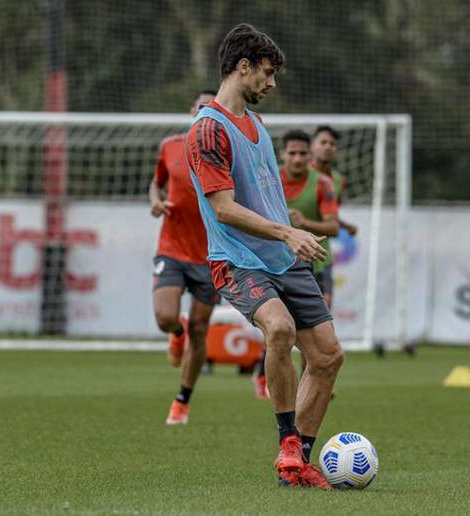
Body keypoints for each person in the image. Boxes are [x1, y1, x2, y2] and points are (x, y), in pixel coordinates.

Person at [185, 23, 343, 489]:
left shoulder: (254, 124)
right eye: (268, 73)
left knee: (329, 357)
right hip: (235, 260)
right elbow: (223, 208)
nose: (272, 84)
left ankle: (299, 462)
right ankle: (287, 441)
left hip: (283, 258)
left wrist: (289, 239)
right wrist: (289, 232)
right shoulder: (207, 131)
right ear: (243, 66)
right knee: (280, 327)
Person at [251, 130, 340, 399]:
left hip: (316, 265)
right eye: (293, 153)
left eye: (303, 154)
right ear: (283, 154)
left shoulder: (323, 183)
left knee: (318, 332)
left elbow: (333, 226)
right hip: (276, 265)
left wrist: (304, 223)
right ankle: (263, 373)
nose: (298, 159)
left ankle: (310, 384)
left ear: (309, 156)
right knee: (280, 328)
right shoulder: (268, 179)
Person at [149, 90, 220, 426]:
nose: (205, 111)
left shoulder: (225, 151)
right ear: (192, 111)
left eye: (211, 107)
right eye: (201, 106)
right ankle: (175, 335)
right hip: (173, 248)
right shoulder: (170, 147)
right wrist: (156, 201)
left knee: (201, 328)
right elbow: (156, 183)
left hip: (212, 254)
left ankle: (182, 401)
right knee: (165, 317)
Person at [310, 125, 356, 306]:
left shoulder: (338, 181)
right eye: (323, 142)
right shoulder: (298, 175)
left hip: (323, 252)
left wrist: (344, 226)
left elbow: (329, 215)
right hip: (295, 251)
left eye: (333, 144)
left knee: (324, 307)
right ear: (312, 145)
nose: (328, 147)